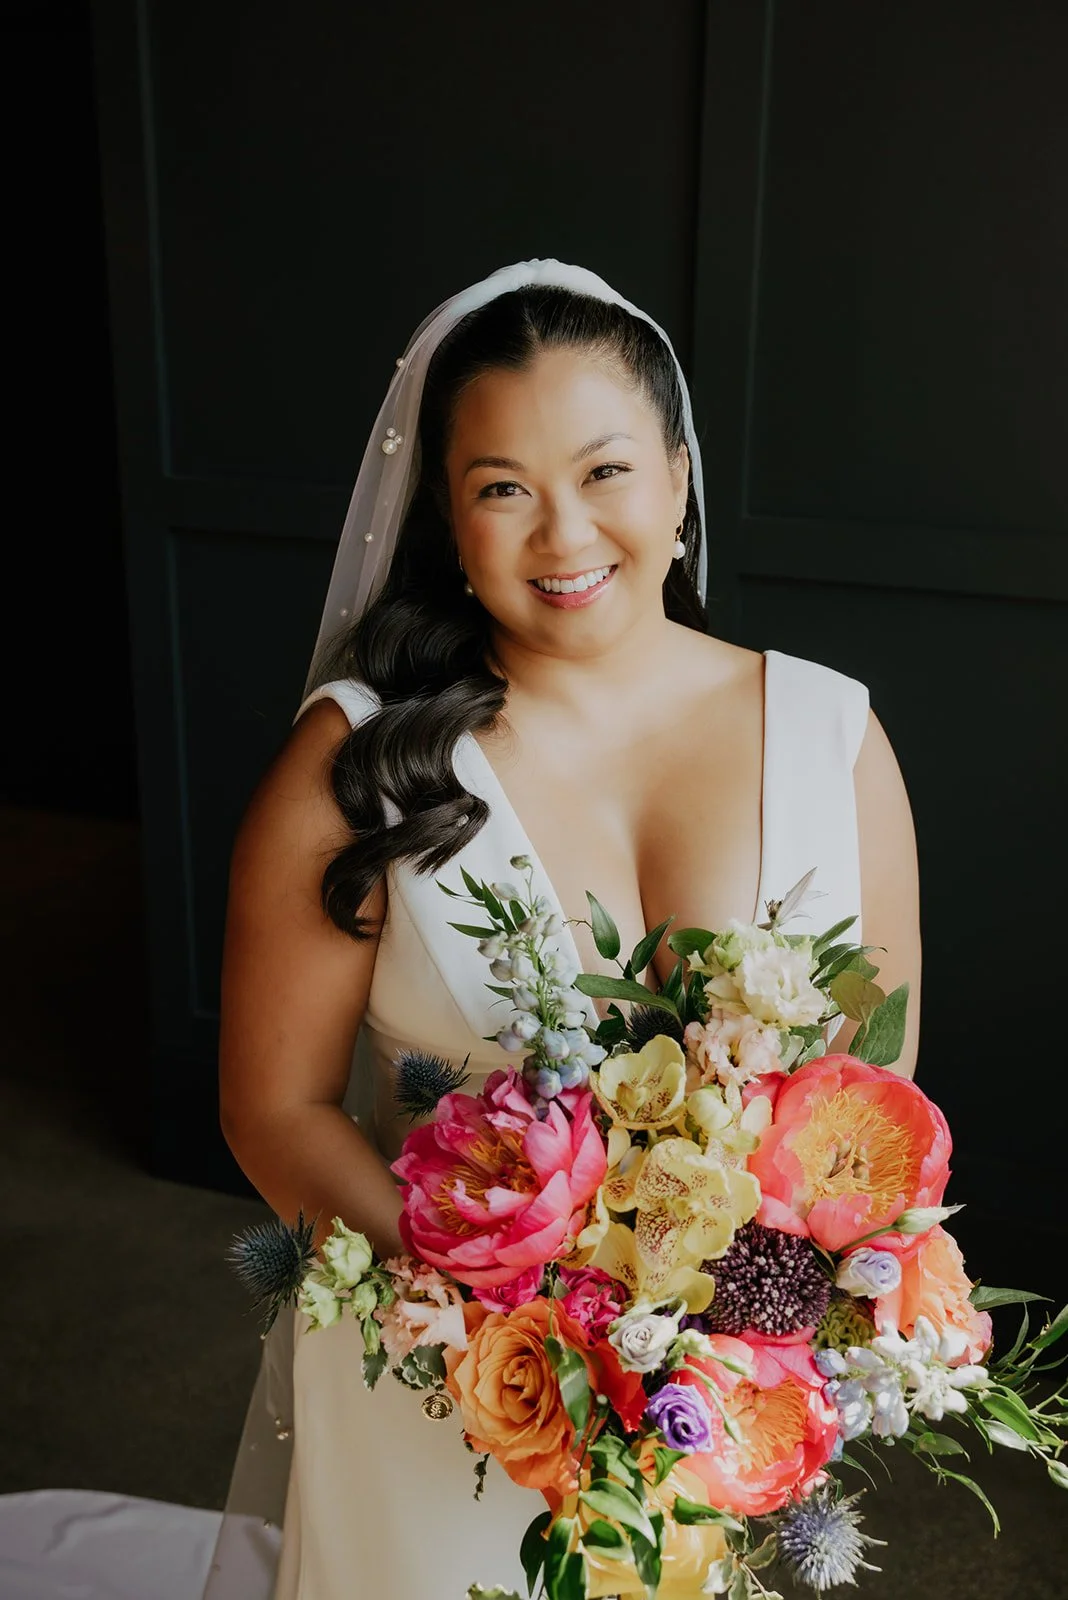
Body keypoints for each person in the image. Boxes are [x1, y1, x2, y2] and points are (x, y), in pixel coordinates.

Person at [203, 258, 921, 1599]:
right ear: (447, 522)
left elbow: (872, 1113)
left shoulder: (835, 739)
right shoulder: (354, 768)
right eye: (502, 490)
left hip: (715, 1411)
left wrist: (750, 1338)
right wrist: (507, 1328)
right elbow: (273, 1108)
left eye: (604, 473)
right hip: (445, 1385)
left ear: (680, 477)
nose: (563, 535)